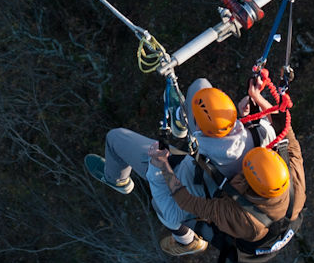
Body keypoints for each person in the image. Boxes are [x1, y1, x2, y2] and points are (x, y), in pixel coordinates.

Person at [85, 79, 260, 250]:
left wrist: (157, 165)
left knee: (115, 138)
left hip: (181, 179)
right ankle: (180, 123)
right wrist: (254, 104)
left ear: (198, 128)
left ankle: (118, 180)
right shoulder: (262, 132)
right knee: (200, 86)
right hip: (210, 169)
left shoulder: (196, 180)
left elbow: (171, 213)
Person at [153, 125, 304, 262]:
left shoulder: (241, 217)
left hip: (245, 234)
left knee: (167, 212)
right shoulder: (294, 180)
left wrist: (164, 166)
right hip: (277, 220)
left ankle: (187, 242)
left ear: (249, 186)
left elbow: (186, 201)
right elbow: (288, 134)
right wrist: (256, 101)